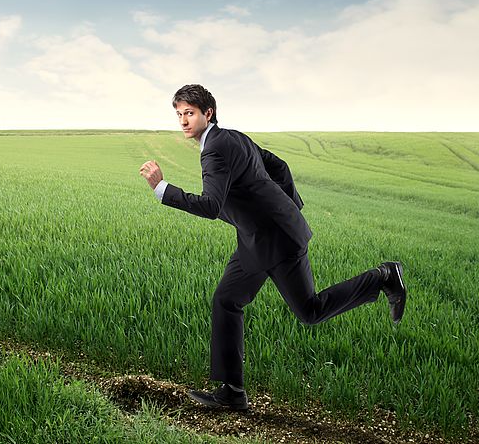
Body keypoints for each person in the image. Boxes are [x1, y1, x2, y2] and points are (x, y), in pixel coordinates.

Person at [139, 84, 406, 411]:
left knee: (310, 311)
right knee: (226, 299)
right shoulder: (233, 137)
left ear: (208, 113)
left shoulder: (214, 150)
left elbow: (210, 206)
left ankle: (383, 277)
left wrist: (161, 189)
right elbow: (278, 165)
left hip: (276, 241)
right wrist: (287, 208)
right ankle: (232, 392)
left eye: (189, 113)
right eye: (179, 114)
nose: (183, 120)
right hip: (259, 239)